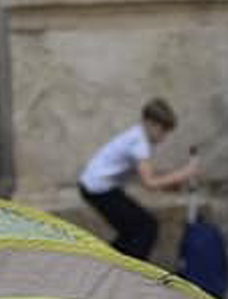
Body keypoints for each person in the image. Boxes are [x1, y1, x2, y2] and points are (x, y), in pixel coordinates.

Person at [77, 98, 199, 262]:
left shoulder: (137, 136)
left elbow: (146, 175)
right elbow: (150, 183)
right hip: (97, 188)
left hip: (98, 186)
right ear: (149, 123)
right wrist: (186, 172)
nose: (163, 137)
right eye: (162, 130)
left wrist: (171, 184)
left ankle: (109, 266)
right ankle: (129, 272)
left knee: (134, 231)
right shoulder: (139, 142)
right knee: (146, 228)